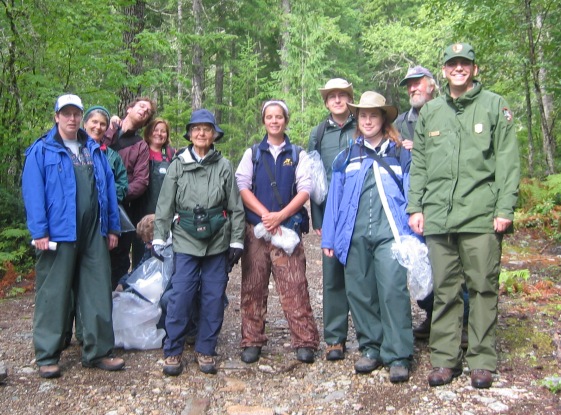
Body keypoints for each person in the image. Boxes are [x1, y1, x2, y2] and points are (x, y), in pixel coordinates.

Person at [407, 43, 520, 389]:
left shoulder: (494, 106)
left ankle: (482, 360)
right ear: (443, 71)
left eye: (464, 64)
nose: (458, 69)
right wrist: (416, 207)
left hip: (481, 217)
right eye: (452, 64)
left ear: (473, 68)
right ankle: (444, 359)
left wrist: (504, 209)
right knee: (444, 291)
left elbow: (507, 162)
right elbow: (420, 165)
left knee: (483, 288)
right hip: (440, 217)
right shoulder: (432, 112)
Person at [22, 94, 125, 379]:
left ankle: (98, 351)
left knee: (96, 289)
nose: (71, 118)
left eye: (75, 113)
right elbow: (33, 194)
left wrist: (112, 228)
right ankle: (47, 354)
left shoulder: (94, 149)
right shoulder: (42, 151)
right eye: (65, 113)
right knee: (53, 293)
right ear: (56, 117)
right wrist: (39, 231)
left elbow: (108, 192)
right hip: (57, 233)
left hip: (93, 232)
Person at [321, 91, 414, 383]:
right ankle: (371, 348)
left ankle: (398, 354)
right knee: (359, 292)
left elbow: (412, 192)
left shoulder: (400, 153)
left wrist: (415, 232)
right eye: (363, 115)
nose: (368, 120)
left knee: (392, 291)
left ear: (383, 118)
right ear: (357, 120)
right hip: (354, 234)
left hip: (391, 234)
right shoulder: (346, 156)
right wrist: (329, 239)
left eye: (374, 115)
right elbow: (334, 200)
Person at [153, 109, 245, 376]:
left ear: (214, 133)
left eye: (207, 129)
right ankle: (173, 351)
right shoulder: (178, 165)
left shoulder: (224, 165)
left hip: (217, 241)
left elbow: (235, 207)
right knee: (180, 295)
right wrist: (160, 236)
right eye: (196, 129)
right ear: (190, 134)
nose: (201, 133)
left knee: (213, 297)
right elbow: (165, 204)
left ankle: (206, 349)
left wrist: (237, 241)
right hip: (184, 239)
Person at [235, 100, 320, 365]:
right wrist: (265, 215)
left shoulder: (297, 154)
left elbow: (306, 188)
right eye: (269, 117)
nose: (274, 121)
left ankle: (305, 340)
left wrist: (281, 217)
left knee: (295, 285)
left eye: (279, 117)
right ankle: (252, 340)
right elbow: (242, 185)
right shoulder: (252, 154)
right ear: (264, 121)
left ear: (286, 120)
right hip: (256, 232)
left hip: (287, 231)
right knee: (252, 286)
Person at [395, 67, 470, 346]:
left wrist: (425, 147)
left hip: (447, 203)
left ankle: (462, 324)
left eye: (418, 84)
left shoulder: (448, 114)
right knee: (419, 266)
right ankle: (431, 315)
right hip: (413, 206)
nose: (413, 89)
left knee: (452, 268)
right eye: (409, 86)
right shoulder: (401, 123)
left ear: (432, 86)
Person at [308, 78, 356, 361]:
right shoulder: (318, 133)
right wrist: (318, 218)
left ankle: (369, 335)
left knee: (362, 275)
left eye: (342, 96)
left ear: (350, 99)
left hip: (361, 211)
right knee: (332, 276)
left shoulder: (363, 124)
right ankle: (335, 339)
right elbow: (313, 177)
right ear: (326, 102)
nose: (337, 100)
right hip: (331, 214)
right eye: (332, 97)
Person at [103, 97, 156, 288]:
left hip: (121, 209)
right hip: (92, 207)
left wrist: (115, 194)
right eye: (142, 106)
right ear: (129, 108)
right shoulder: (105, 129)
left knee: (118, 262)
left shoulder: (140, 146)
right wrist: (110, 128)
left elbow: (141, 182)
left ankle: (112, 311)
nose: (144, 111)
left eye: (148, 111)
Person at [131, 118, 176, 264]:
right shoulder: (140, 150)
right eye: (156, 130)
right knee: (141, 255)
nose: (159, 134)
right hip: (142, 212)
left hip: (165, 214)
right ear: (149, 132)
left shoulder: (171, 154)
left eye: (163, 131)